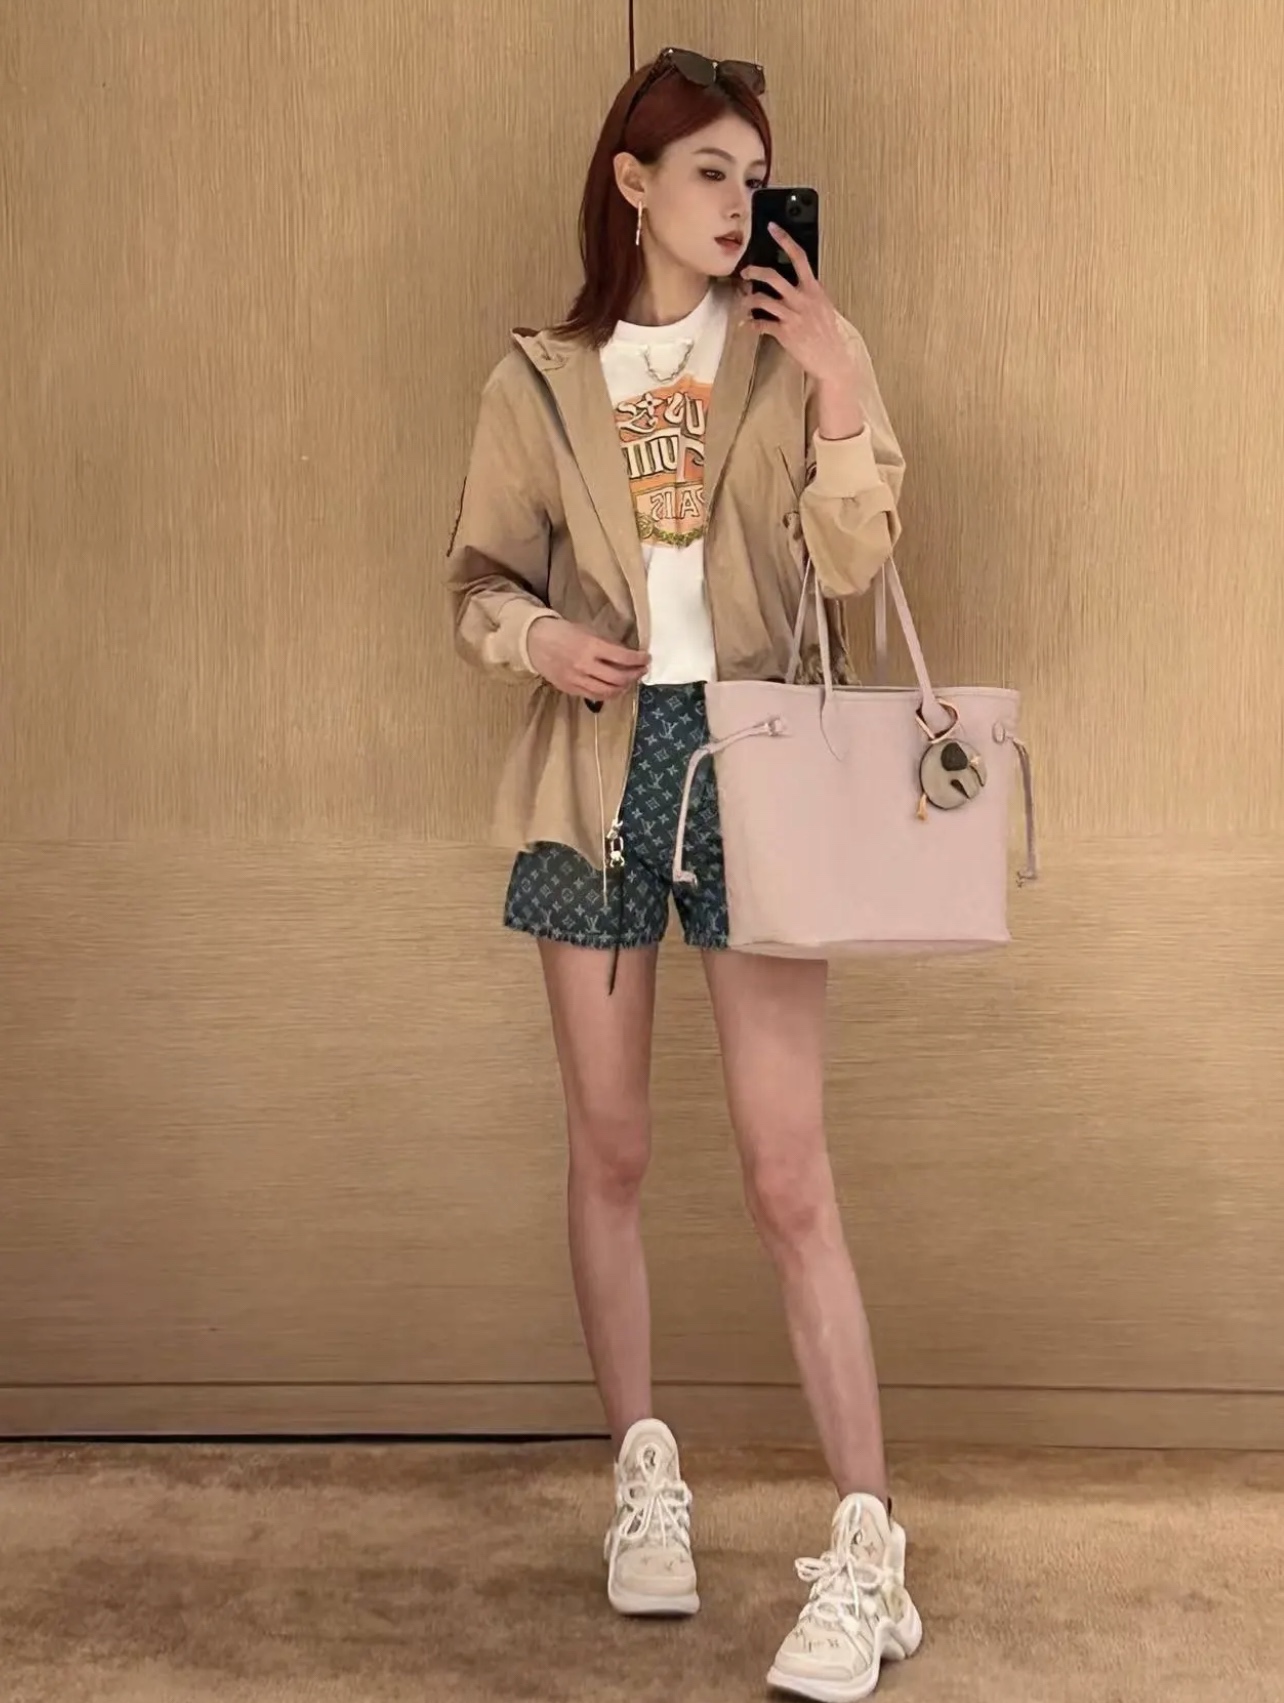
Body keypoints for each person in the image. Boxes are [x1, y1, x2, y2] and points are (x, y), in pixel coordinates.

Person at [446, 45, 922, 1703]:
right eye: (708, 170)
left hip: (762, 764)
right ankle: (642, 1478)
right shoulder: (539, 379)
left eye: (754, 174)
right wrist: (538, 640)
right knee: (615, 1148)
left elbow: (854, 564)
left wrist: (841, 386)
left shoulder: (795, 356)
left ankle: (870, 1550)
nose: (736, 201)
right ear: (633, 182)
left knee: (790, 1176)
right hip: (596, 768)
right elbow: (475, 578)